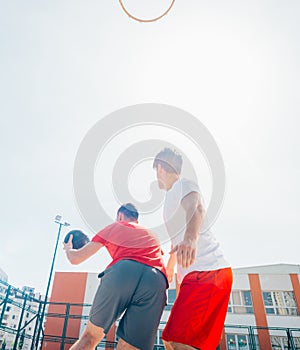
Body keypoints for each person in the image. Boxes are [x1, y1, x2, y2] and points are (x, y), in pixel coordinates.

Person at [153, 148, 233, 350]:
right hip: (194, 277)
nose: (157, 178)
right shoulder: (170, 199)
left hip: (209, 272)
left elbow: (196, 208)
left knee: (181, 341)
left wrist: (190, 239)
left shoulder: (184, 185)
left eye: (156, 172)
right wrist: (170, 268)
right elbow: (175, 242)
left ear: (160, 168)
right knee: (169, 339)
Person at [64, 203, 168, 350]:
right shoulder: (152, 235)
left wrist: (68, 249)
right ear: (136, 219)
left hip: (123, 272)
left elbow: (76, 258)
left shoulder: (116, 226)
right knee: (130, 347)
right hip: (156, 280)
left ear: (120, 216)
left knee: (90, 338)